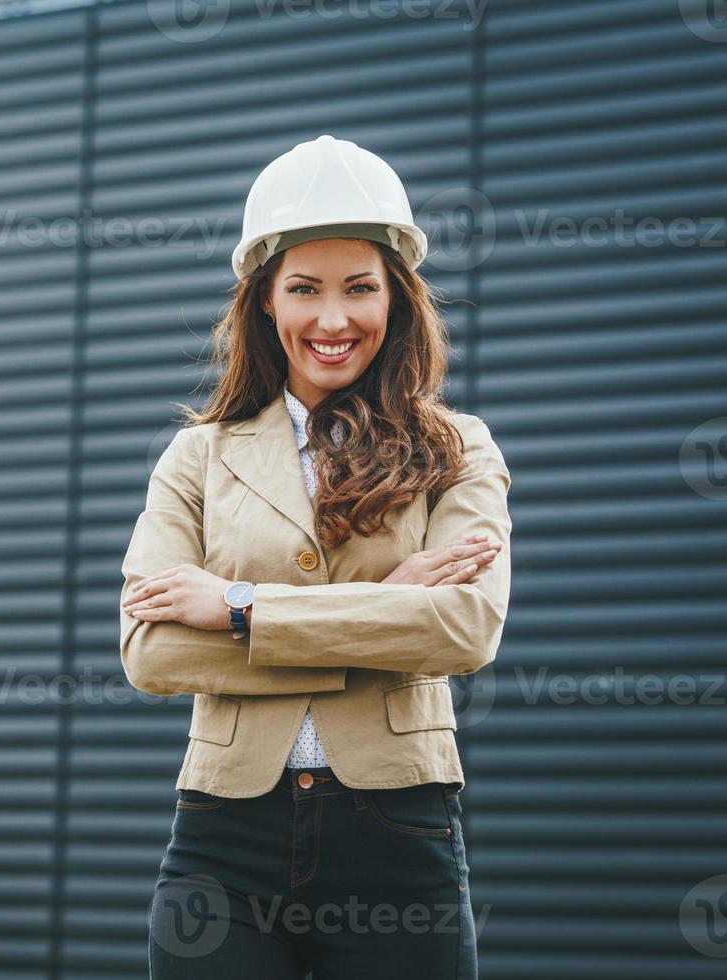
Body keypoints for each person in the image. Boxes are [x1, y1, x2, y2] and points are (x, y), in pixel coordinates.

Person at [118, 135, 512, 979]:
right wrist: (386, 612)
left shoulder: (458, 448)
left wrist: (238, 607)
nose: (333, 320)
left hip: (399, 828)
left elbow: (464, 629)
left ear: (396, 300)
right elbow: (151, 653)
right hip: (224, 835)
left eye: (359, 289)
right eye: (305, 289)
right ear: (264, 301)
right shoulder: (197, 458)